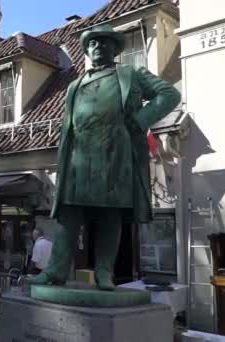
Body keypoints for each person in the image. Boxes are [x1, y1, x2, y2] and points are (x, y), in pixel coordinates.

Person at [30, 24, 180, 291]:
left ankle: (104, 272)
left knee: (110, 215)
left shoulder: (131, 74)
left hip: (115, 154)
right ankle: (56, 270)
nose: (99, 47)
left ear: (115, 49)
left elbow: (169, 94)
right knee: (68, 212)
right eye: (93, 43)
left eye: (105, 43)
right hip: (79, 157)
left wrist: (143, 118)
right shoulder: (74, 86)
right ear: (87, 50)